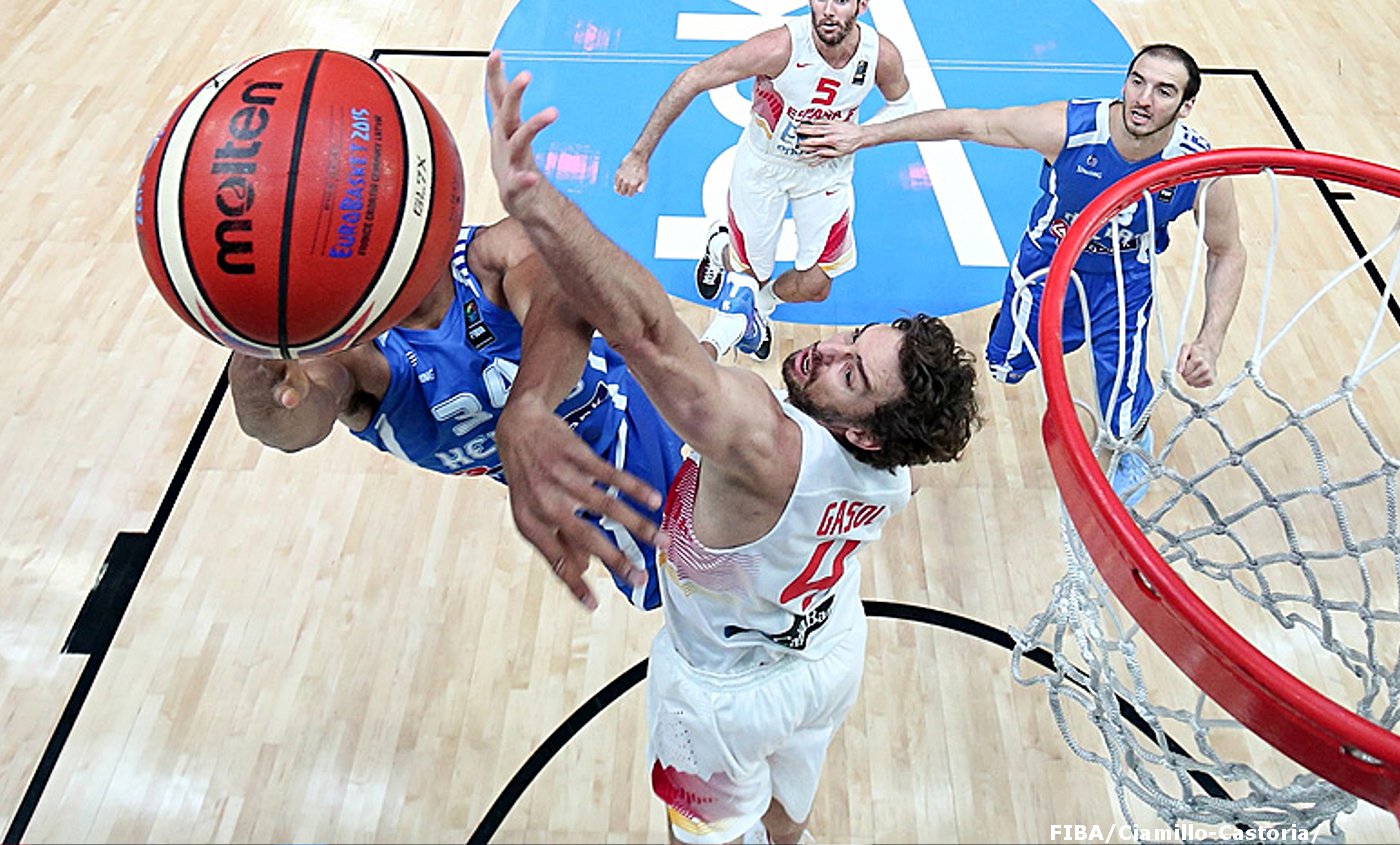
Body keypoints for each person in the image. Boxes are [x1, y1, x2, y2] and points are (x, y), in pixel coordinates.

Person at [487, 52, 981, 845]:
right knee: (786, 824)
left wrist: (536, 205)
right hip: (828, 650)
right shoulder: (893, 468)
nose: (826, 349)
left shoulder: (765, 440)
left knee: (702, 839)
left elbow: (647, 332)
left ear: (860, 428)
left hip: (720, 698)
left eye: (851, 373)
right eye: (853, 338)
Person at [799, 43, 1247, 463]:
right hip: (1047, 267)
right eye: (1137, 81)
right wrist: (865, 135)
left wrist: (1210, 340)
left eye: (1164, 91)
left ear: (1185, 107)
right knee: (1005, 365)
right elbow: (969, 123)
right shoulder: (1068, 128)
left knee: (1124, 384)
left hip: (1124, 279)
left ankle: (1130, 445)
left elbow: (1227, 252)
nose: (1144, 99)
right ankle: (1015, 346)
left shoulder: (1199, 169)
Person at [227, 216, 679, 612]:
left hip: (650, 415)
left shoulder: (491, 256)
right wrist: (267, 406)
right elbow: (305, 415)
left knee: (721, 600)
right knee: (697, 601)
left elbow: (557, 299)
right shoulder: (355, 358)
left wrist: (527, 407)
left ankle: (735, 323)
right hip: (585, 492)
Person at [613, 0, 914, 360]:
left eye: (842, 0)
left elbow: (904, 104)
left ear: (862, 5)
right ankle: (720, 250)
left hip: (826, 171)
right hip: (764, 169)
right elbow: (692, 78)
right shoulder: (780, 47)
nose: (829, 10)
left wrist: (861, 134)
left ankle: (761, 308)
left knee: (817, 286)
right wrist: (638, 155)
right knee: (751, 274)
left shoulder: (880, 55)